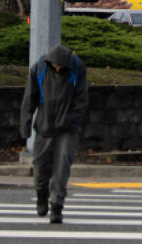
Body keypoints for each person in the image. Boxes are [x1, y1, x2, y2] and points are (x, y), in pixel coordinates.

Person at [20, 43, 89, 224]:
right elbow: (30, 98)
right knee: (40, 168)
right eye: (55, 66)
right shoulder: (40, 69)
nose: (57, 68)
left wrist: (73, 120)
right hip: (45, 126)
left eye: (60, 66)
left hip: (67, 128)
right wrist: (25, 126)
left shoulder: (77, 68)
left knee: (61, 168)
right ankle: (41, 194)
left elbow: (82, 99)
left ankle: (57, 205)